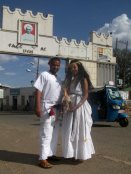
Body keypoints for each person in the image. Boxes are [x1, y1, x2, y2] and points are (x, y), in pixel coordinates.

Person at [62, 59, 95, 161]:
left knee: (79, 128)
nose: (73, 69)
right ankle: (72, 152)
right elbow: (66, 91)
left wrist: (77, 106)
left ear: (79, 67)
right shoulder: (71, 79)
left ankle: (81, 154)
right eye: (71, 68)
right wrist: (66, 97)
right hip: (71, 105)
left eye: (74, 67)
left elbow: (85, 95)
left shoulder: (83, 79)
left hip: (79, 106)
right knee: (70, 129)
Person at [34, 57, 62, 168]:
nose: (56, 67)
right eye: (54, 64)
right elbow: (38, 91)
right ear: (49, 64)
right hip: (47, 107)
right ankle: (42, 159)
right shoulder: (44, 75)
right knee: (46, 134)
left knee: (54, 134)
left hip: (57, 108)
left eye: (58, 65)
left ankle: (51, 154)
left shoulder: (58, 78)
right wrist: (37, 107)